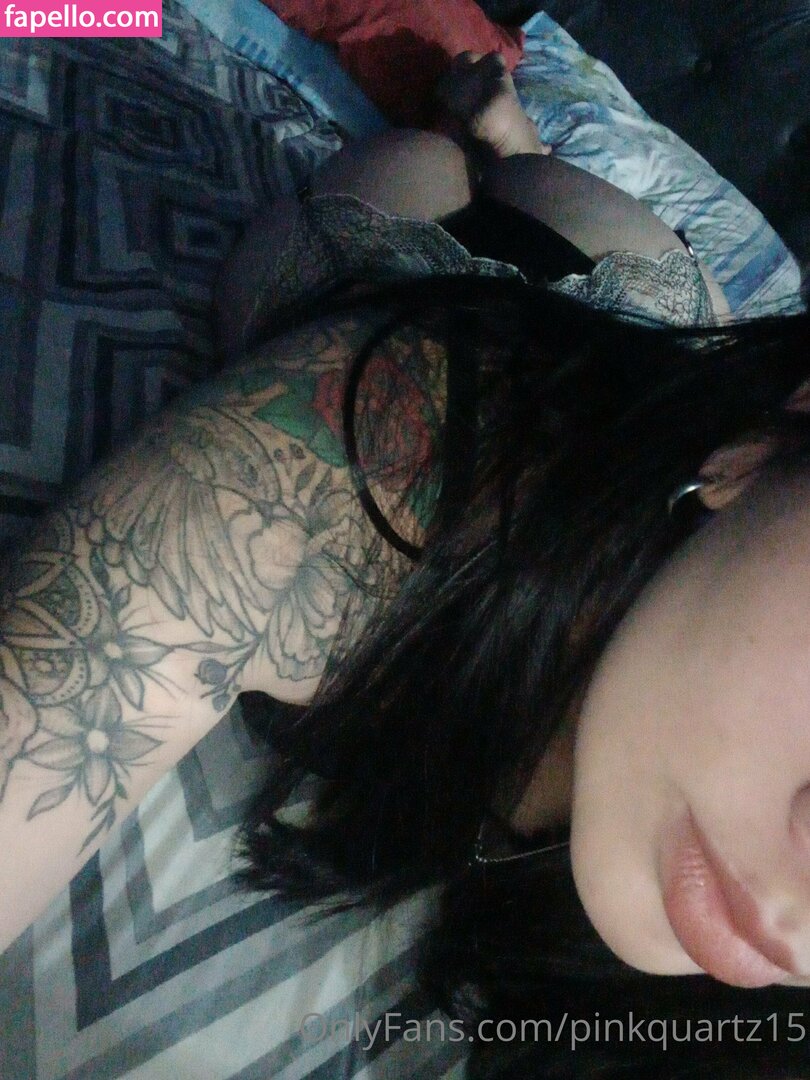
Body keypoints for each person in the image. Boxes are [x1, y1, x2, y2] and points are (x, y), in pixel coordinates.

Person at [0, 50, 809, 1077]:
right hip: (477, 295)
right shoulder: (362, 473)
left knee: (616, 265)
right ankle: (482, 136)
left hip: (661, 341)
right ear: (766, 451)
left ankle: (513, 137)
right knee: (420, 160)